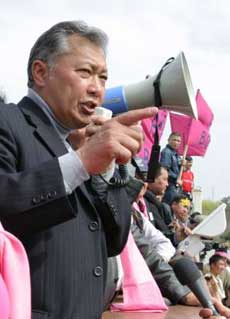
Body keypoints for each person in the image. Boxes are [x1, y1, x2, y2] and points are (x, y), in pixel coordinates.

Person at [0, 20, 158, 319]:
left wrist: (106, 169)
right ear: (41, 72)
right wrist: (83, 161)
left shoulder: (78, 145)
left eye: (103, 77)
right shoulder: (8, 121)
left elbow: (115, 241)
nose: (97, 89)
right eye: (85, 72)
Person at [160, 132, 183, 204]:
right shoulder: (167, 152)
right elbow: (164, 170)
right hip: (169, 185)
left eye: (178, 141)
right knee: (170, 206)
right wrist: (176, 179)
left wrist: (182, 165)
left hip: (175, 186)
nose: (176, 142)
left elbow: (176, 169)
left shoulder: (176, 154)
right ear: (169, 140)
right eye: (174, 140)